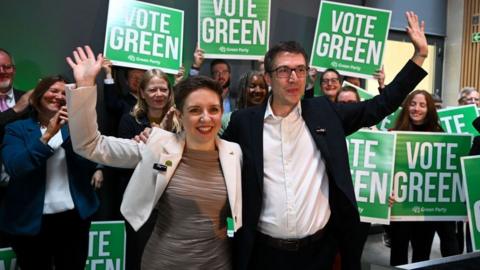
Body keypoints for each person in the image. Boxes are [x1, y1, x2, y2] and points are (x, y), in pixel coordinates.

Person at [222, 11, 428, 270]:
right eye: (284, 70)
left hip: (320, 252)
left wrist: (418, 55)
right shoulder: (244, 122)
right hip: (264, 254)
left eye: (300, 70)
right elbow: (211, 156)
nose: (294, 78)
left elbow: (380, 105)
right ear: (268, 77)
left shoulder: (324, 113)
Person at [65, 46, 242, 269]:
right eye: (195, 110)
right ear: (179, 114)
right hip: (164, 261)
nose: (206, 118)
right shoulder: (158, 145)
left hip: (218, 263)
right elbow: (89, 145)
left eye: (213, 109)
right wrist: (85, 86)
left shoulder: (234, 153)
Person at [0, 75, 101, 270]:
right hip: (31, 221)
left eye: (64, 93)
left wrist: (78, 127)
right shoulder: (16, 129)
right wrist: (47, 136)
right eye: (53, 91)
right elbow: (15, 167)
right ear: (38, 96)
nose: (59, 96)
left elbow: (90, 162)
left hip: (73, 219)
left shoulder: (75, 128)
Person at [116, 69, 180, 270]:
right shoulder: (130, 121)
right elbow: (129, 167)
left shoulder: (181, 124)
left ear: (170, 92)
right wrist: (158, 163)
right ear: (142, 93)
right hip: (141, 205)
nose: (159, 94)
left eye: (163, 89)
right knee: (139, 258)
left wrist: (155, 162)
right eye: (153, 90)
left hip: (172, 206)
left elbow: (179, 165)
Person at [389, 90, 460, 265]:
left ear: (429, 109)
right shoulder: (392, 134)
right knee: (398, 254)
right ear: (406, 107)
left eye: (422, 105)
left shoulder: (441, 137)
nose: (416, 109)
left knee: (422, 255)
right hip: (399, 205)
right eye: (413, 104)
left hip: (426, 208)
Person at [0, 48, 33, 247]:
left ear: (14, 70)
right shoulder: (22, 104)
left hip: (21, 191)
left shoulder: (29, 102)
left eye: (7, 67)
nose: (3, 71)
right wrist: (16, 110)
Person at [190, 44, 237, 113]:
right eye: (216, 72)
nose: (221, 76)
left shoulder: (237, 97)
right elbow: (190, 89)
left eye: (224, 72)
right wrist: (196, 66)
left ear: (229, 74)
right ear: (212, 76)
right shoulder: (205, 96)